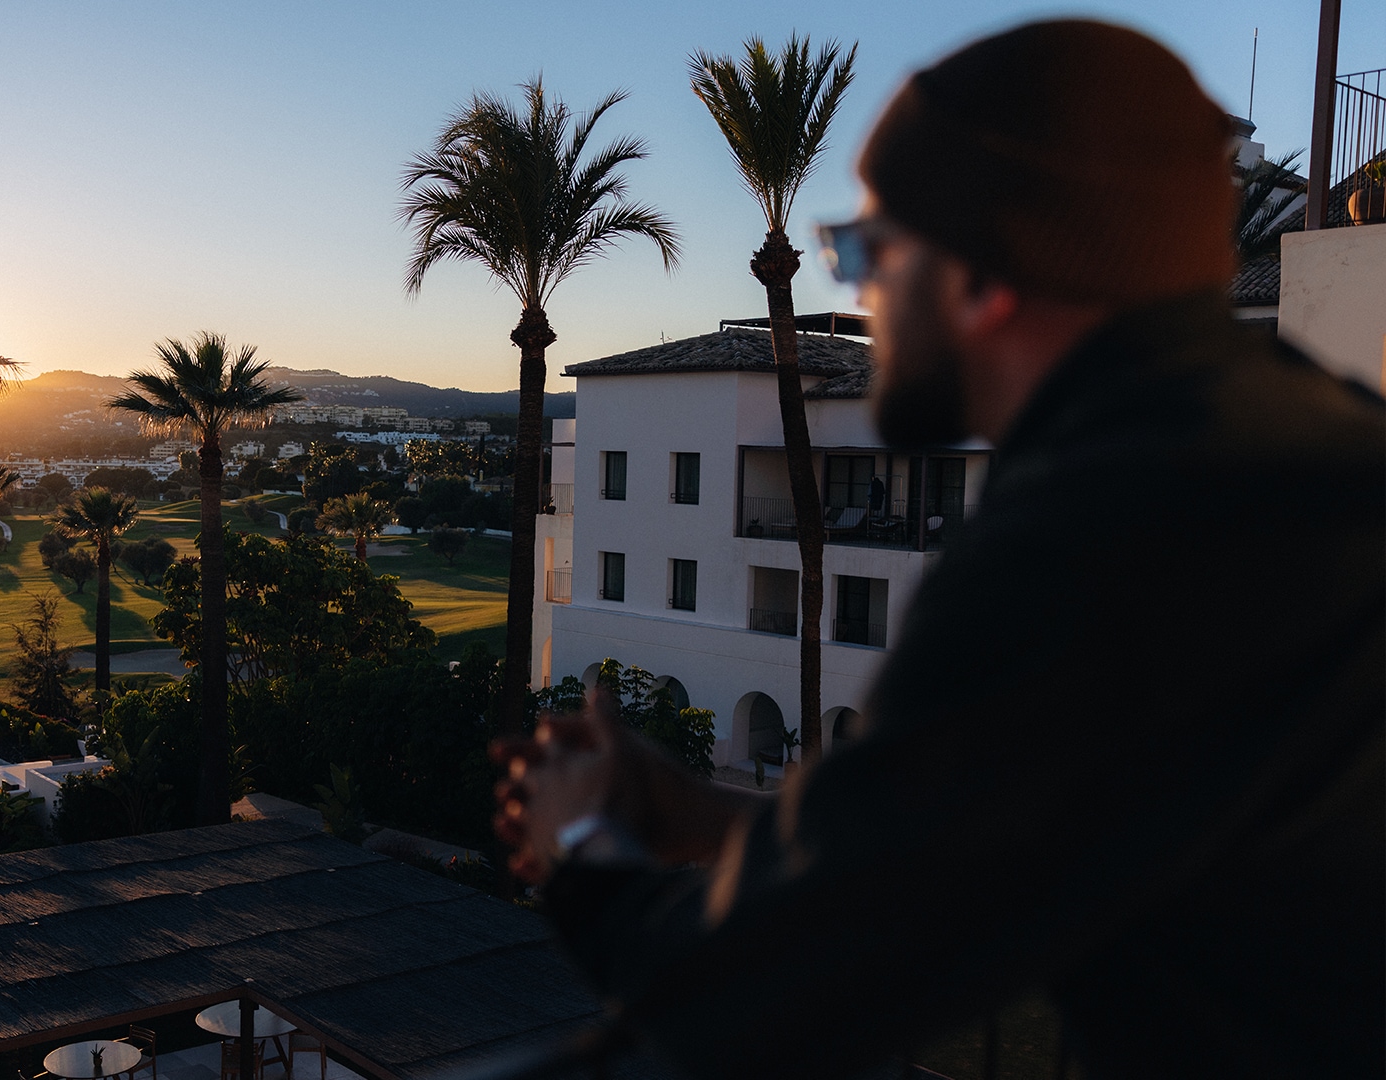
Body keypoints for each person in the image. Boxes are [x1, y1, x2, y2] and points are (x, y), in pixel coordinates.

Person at [493, 20, 1384, 1079]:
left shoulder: (1095, 542)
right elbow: (997, 852)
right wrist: (713, 819)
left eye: (867, 253)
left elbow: (752, 994)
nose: (863, 300)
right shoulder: (1322, 442)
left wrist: (582, 845)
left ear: (978, 274)